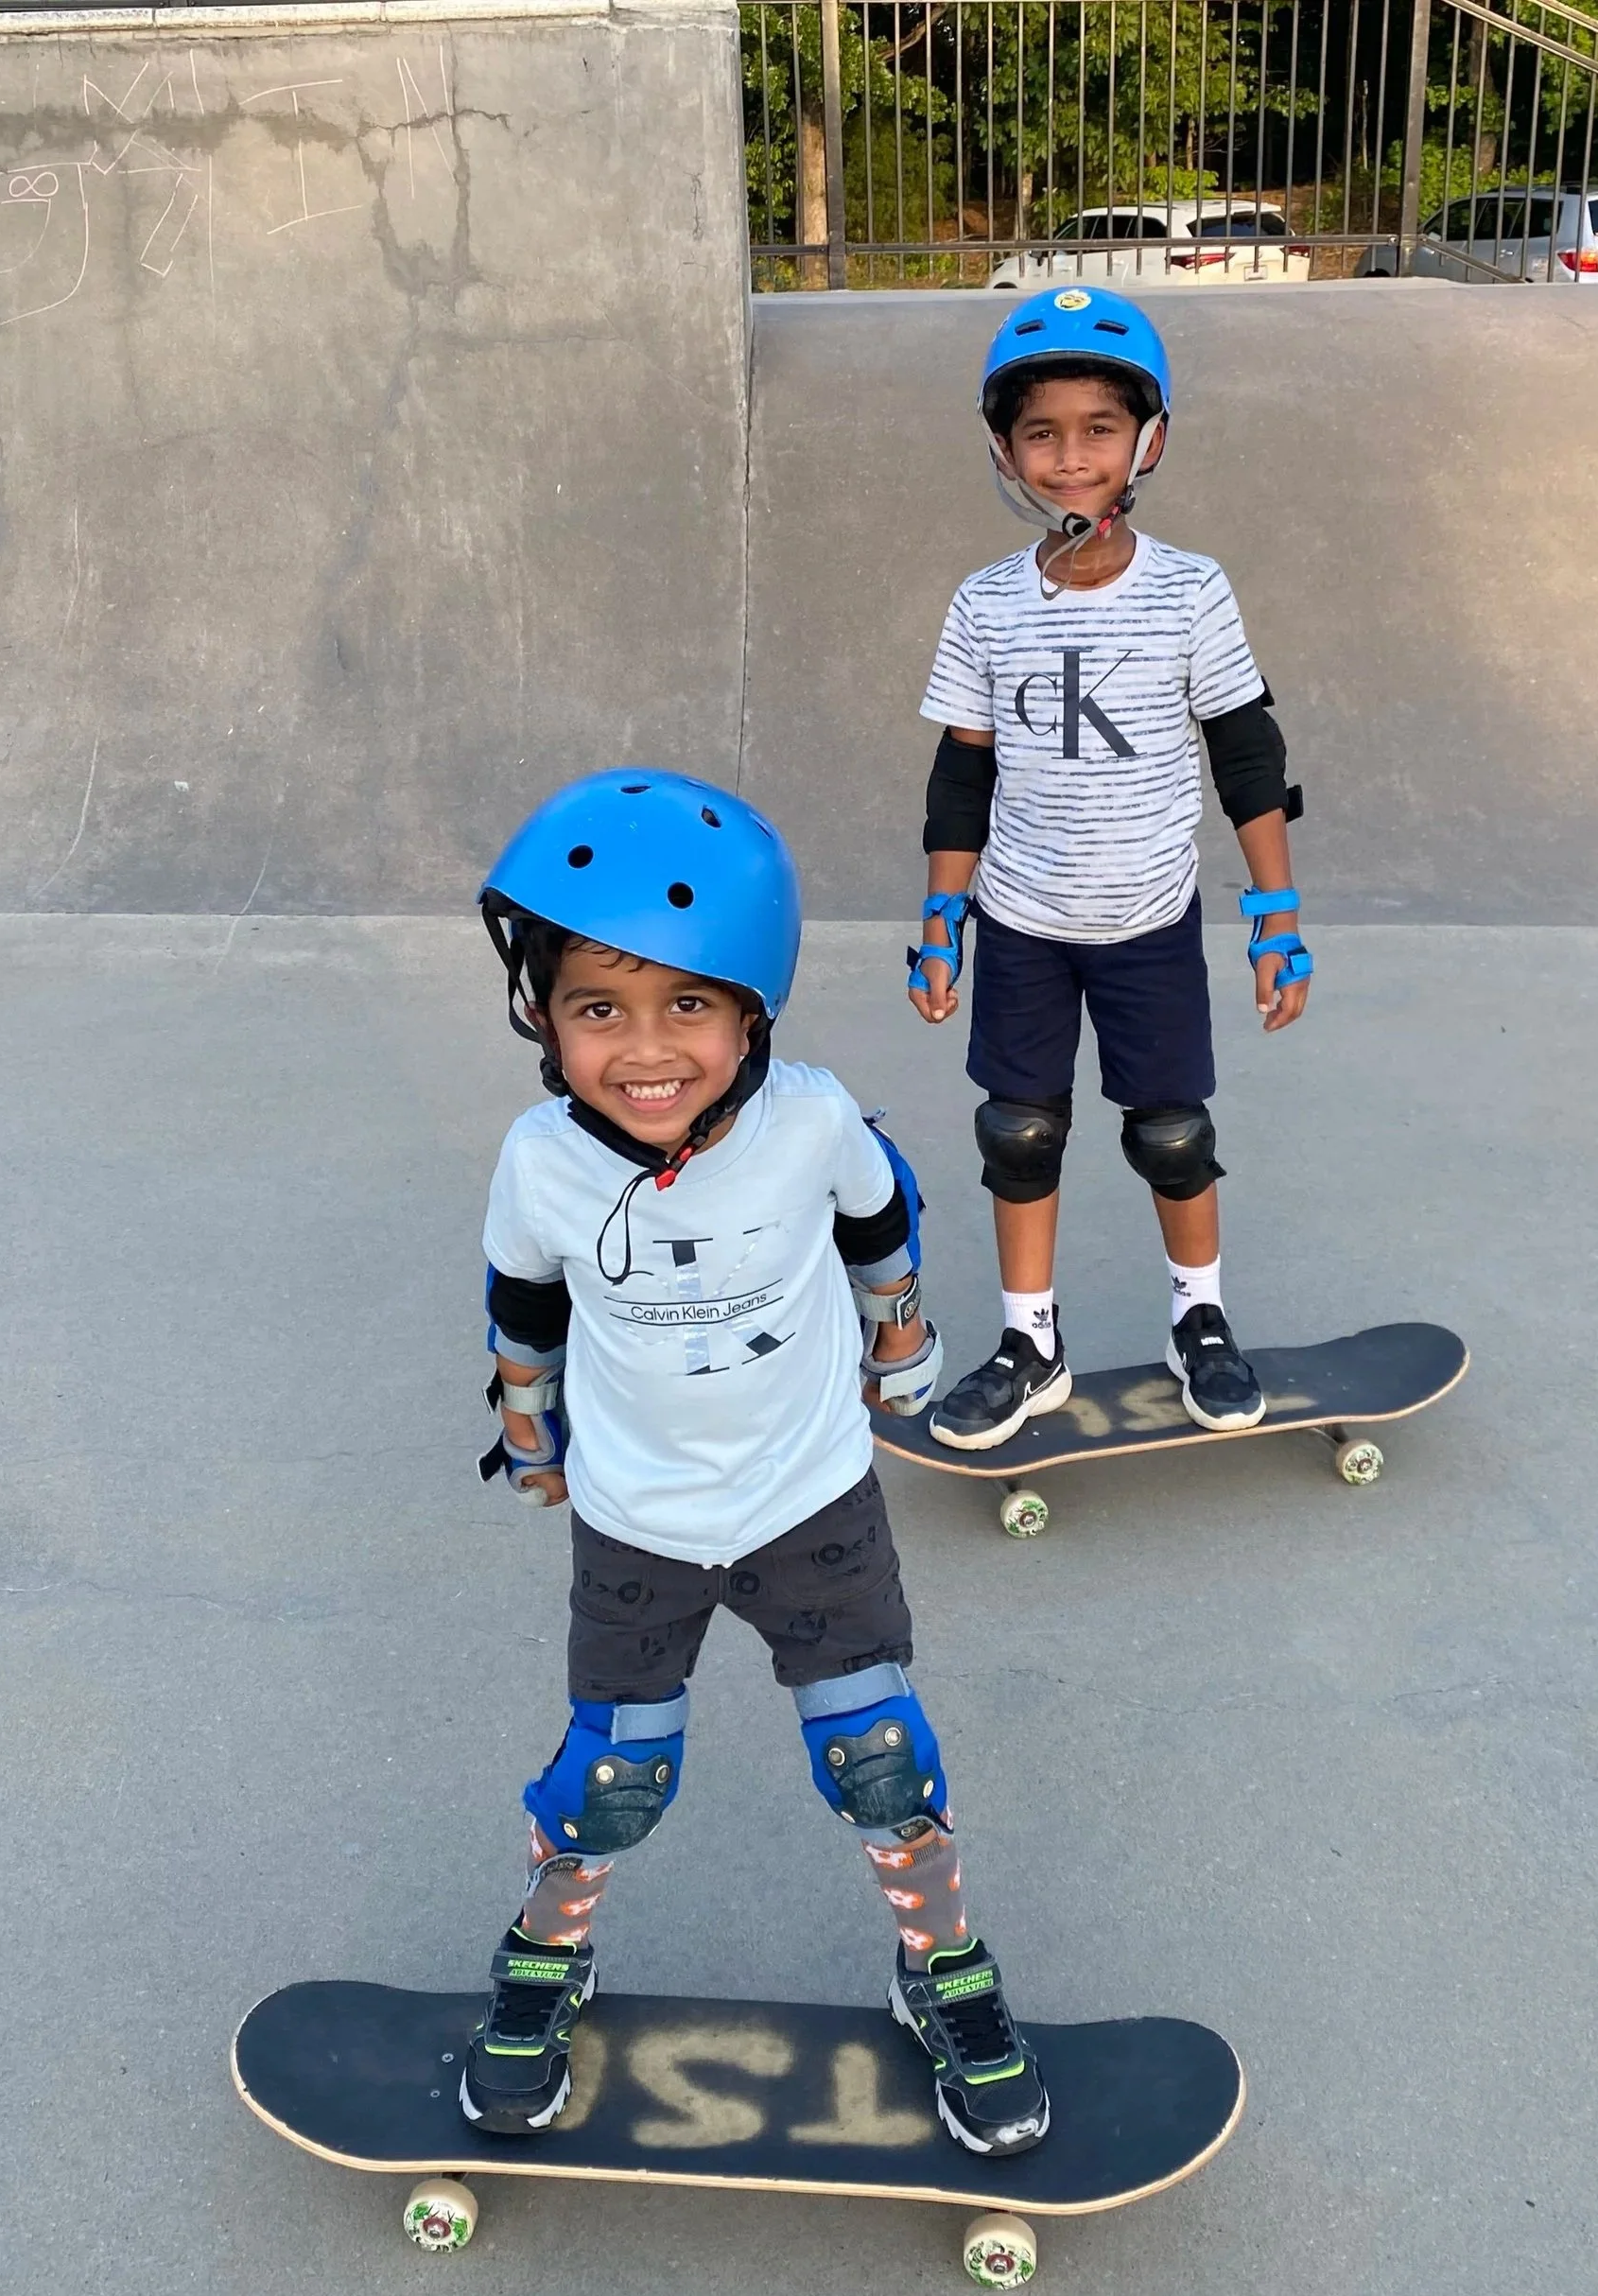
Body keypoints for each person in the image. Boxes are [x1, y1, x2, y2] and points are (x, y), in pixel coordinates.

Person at [463, 768, 1051, 2159]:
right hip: (636, 1526)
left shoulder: (808, 1118)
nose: (646, 1049)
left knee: (885, 1762)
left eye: (689, 1007)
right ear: (542, 1014)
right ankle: (549, 1956)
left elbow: (879, 1214)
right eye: (599, 1008)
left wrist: (902, 1338)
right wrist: (527, 1428)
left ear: (752, 1016)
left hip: (808, 1506)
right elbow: (524, 1303)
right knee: (613, 1779)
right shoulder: (542, 1160)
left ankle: (939, 1967)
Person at [907, 287, 1313, 1450]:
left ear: (1148, 441)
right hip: (1023, 917)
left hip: (1147, 915)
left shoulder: (1190, 589)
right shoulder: (984, 603)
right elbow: (960, 776)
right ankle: (1029, 1341)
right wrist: (944, 918)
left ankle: (1202, 1318)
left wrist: (1273, 910)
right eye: (1042, 431)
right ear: (1004, 447)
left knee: (1171, 1131)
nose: (1069, 454)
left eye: (1097, 428)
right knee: (1018, 1130)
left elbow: (1246, 751)